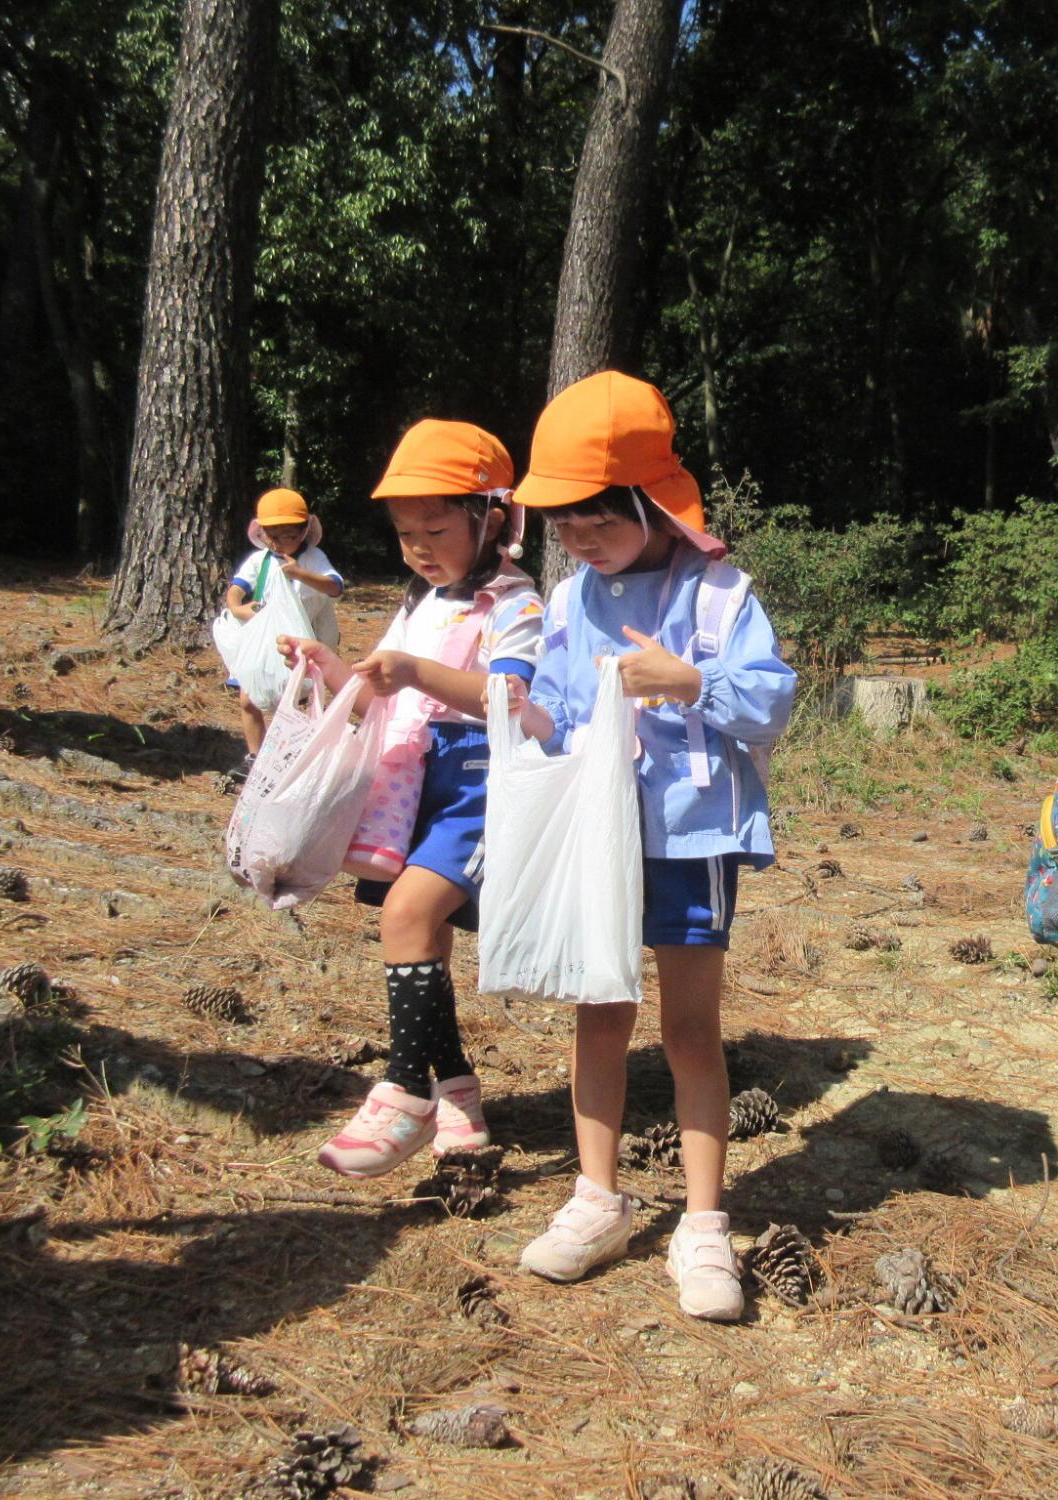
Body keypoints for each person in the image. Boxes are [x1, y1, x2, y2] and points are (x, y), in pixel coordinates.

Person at [498, 371, 796, 1321]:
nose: (582, 542)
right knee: (599, 1017)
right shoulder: (573, 594)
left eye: (599, 521)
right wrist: (526, 715)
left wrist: (690, 681)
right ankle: (598, 1197)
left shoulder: (719, 595)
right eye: (565, 527)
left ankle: (703, 1223)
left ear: (654, 503)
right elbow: (561, 710)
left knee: (690, 1031)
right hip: (599, 839)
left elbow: (772, 702)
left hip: (689, 837)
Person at [284, 422, 543, 1178]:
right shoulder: (421, 601)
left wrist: (415, 673)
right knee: (420, 937)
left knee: (406, 915)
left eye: (437, 526)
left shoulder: (514, 602)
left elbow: (513, 697)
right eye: (405, 532)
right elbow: (381, 696)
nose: (421, 545)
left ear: (492, 518)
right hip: (414, 782)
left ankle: (403, 1089)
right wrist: (332, 667)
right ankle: (456, 1090)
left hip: (479, 783)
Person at [224, 487, 344, 769]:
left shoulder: (314, 559)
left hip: (303, 639)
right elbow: (237, 588)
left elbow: (335, 587)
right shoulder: (260, 560)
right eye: (273, 537)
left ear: (304, 531)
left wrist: (300, 573)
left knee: (293, 702)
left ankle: (292, 759)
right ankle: (254, 757)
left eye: (289, 536)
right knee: (249, 697)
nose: (280, 544)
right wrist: (237, 608)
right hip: (265, 641)